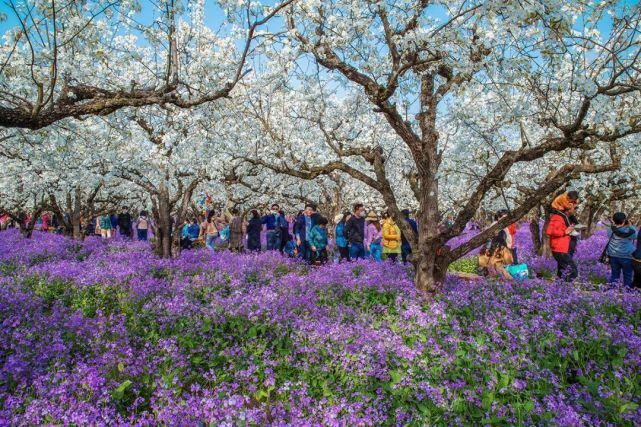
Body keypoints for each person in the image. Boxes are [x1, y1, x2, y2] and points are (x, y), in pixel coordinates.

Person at [546, 198, 579, 281]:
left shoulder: (566, 217)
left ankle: (559, 289)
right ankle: (566, 290)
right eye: (574, 208)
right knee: (572, 271)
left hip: (564, 248)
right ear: (568, 209)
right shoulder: (557, 217)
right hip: (560, 249)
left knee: (562, 271)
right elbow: (550, 231)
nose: (575, 210)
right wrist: (565, 232)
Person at [606, 212, 637, 288]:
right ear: (624, 220)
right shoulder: (630, 230)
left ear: (613, 220)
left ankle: (612, 291)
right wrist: (630, 224)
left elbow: (615, 229)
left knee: (614, 275)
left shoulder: (610, 229)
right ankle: (627, 292)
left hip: (613, 255)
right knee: (628, 275)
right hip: (627, 256)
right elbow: (635, 235)